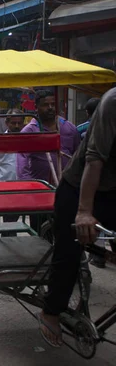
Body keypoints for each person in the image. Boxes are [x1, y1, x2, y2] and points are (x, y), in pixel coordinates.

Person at [38, 88, 116, 347]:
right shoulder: (112, 103)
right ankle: (51, 311)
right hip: (79, 186)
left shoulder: (68, 127)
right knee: (68, 250)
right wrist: (84, 212)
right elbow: (95, 159)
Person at [17, 90, 80, 184]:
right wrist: (30, 188)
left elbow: (78, 157)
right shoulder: (29, 131)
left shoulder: (70, 128)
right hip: (40, 189)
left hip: (67, 186)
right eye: (45, 105)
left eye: (53, 104)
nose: (50, 108)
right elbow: (22, 168)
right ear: (36, 107)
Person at [0, 109, 25, 225]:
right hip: (3, 186)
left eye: (19, 123)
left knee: (13, 219)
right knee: (9, 219)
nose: (16, 126)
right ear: (7, 123)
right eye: (13, 123)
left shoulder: (27, 140)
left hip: (23, 185)